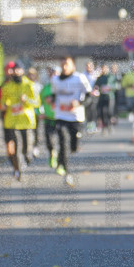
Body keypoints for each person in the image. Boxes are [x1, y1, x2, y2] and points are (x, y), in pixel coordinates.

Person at [49, 56, 92, 187]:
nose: (64, 67)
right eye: (62, 65)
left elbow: (89, 96)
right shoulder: (55, 80)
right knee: (63, 141)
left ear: (73, 65)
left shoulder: (79, 78)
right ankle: (67, 172)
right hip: (61, 116)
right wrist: (51, 101)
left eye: (67, 64)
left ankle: (64, 158)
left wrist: (78, 102)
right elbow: (54, 94)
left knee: (73, 146)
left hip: (75, 117)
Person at [0, 61, 39, 181]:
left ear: (23, 71)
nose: (16, 72)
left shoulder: (30, 85)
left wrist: (26, 100)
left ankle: (26, 159)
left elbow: (37, 103)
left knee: (26, 150)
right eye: (14, 70)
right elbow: (2, 103)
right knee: (16, 147)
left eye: (18, 69)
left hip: (26, 121)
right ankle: (18, 169)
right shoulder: (6, 87)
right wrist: (4, 105)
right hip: (12, 121)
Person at [93, 64, 118, 134]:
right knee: (103, 112)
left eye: (105, 68)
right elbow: (96, 86)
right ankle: (105, 126)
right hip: (102, 97)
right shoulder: (100, 78)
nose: (104, 70)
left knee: (109, 111)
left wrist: (110, 87)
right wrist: (97, 89)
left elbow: (116, 86)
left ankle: (110, 124)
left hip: (110, 97)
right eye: (103, 68)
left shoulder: (111, 77)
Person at [27, 66, 44, 157]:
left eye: (33, 75)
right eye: (29, 75)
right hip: (26, 112)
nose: (31, 76)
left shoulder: (39, 86)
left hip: (36, 112)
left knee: (36, 130)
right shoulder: (24, 86)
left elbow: (42, 100)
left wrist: (42, 111)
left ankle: (35, 147)